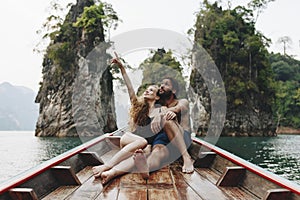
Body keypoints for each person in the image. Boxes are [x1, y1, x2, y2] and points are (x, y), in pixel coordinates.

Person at [92, 53, 173, 179]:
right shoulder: (139, 107)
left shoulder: (161, 110)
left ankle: (111, 173)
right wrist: (122, 68)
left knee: (144, 153)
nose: (147, 91)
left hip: (143, 146)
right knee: (143, 142)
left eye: (151, 90)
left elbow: (168, 113)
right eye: (147, 89)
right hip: (129, 139)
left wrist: (162, 112)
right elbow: (130, 88)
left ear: (157, 97)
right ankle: (107, 166)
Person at [150, 77, 194, 173]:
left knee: (167, 119)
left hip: (181, 138)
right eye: (161, 83)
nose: (162, 86)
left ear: (174, 90)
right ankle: (147, 166)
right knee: (156, 152)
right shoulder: (160, 106)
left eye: (166, 84)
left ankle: (186, 157)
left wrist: (161, 115)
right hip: (164, 140)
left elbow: (178, 108)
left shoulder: (182, 102)